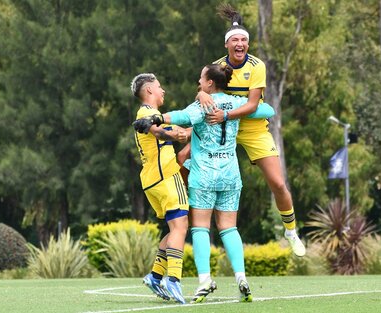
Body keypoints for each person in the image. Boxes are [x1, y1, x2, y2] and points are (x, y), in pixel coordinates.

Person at [134, 64, 275, 303]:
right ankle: (241, 277)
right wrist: (231, 114)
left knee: (198, 228)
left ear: (209, 82)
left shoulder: (202, 105)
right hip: (230, 174)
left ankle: (202, 280)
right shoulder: (236, 103)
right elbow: (267, 109)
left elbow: (182, 116)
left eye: (201, 79)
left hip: (203, 176)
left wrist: (159, 117)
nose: (198, 83)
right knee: (229, 229)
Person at [187, 3, 306, 257]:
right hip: (223, 128)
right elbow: (204, 86)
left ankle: (291, 230)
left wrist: (225, 114)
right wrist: (200, 94)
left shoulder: (257, 66)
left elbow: (253, 105)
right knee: (184, 156)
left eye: (244, 40)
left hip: (249, 128)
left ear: (248, 45)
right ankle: (180, 218)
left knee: (277, 183)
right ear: (227, 45)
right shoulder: (218, 65)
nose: (239, 44)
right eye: (235, 40)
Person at [131, 73, 191, 304]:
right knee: (180, 227)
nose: (163, 90)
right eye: (159, 87)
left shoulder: (151, 115)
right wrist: (173, 134)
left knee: (174, 228)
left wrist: (185, 131)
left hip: (151, 180)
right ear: (148, 91)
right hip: (166, 176)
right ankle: (173, 279)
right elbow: (156, 131)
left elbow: (183, 131)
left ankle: (156, 276)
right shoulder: (147, 114)